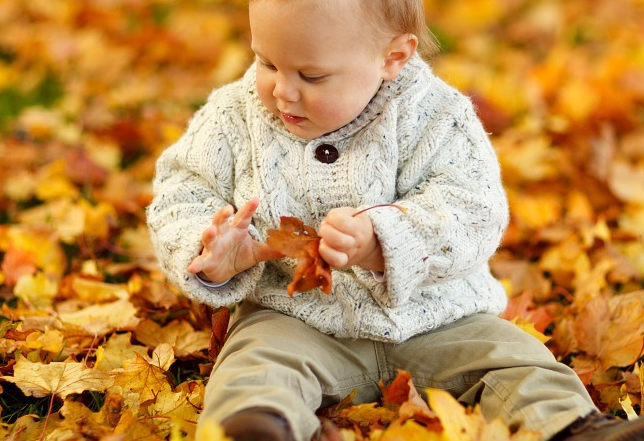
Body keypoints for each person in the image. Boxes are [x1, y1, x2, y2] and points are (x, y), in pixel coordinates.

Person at [147, 0, 644, 440]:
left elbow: (473, 209)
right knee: (254, 364)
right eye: (266, 61)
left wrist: (386, 239)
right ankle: (256, 425)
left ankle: (572, 427)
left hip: (439, 317)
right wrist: (207, 247)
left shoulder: (437, 116)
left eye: (312, 76)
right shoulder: (234, 116)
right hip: (295, 318)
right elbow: (181, 189)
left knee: (514, 359)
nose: (283, 91)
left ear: (393, 58)